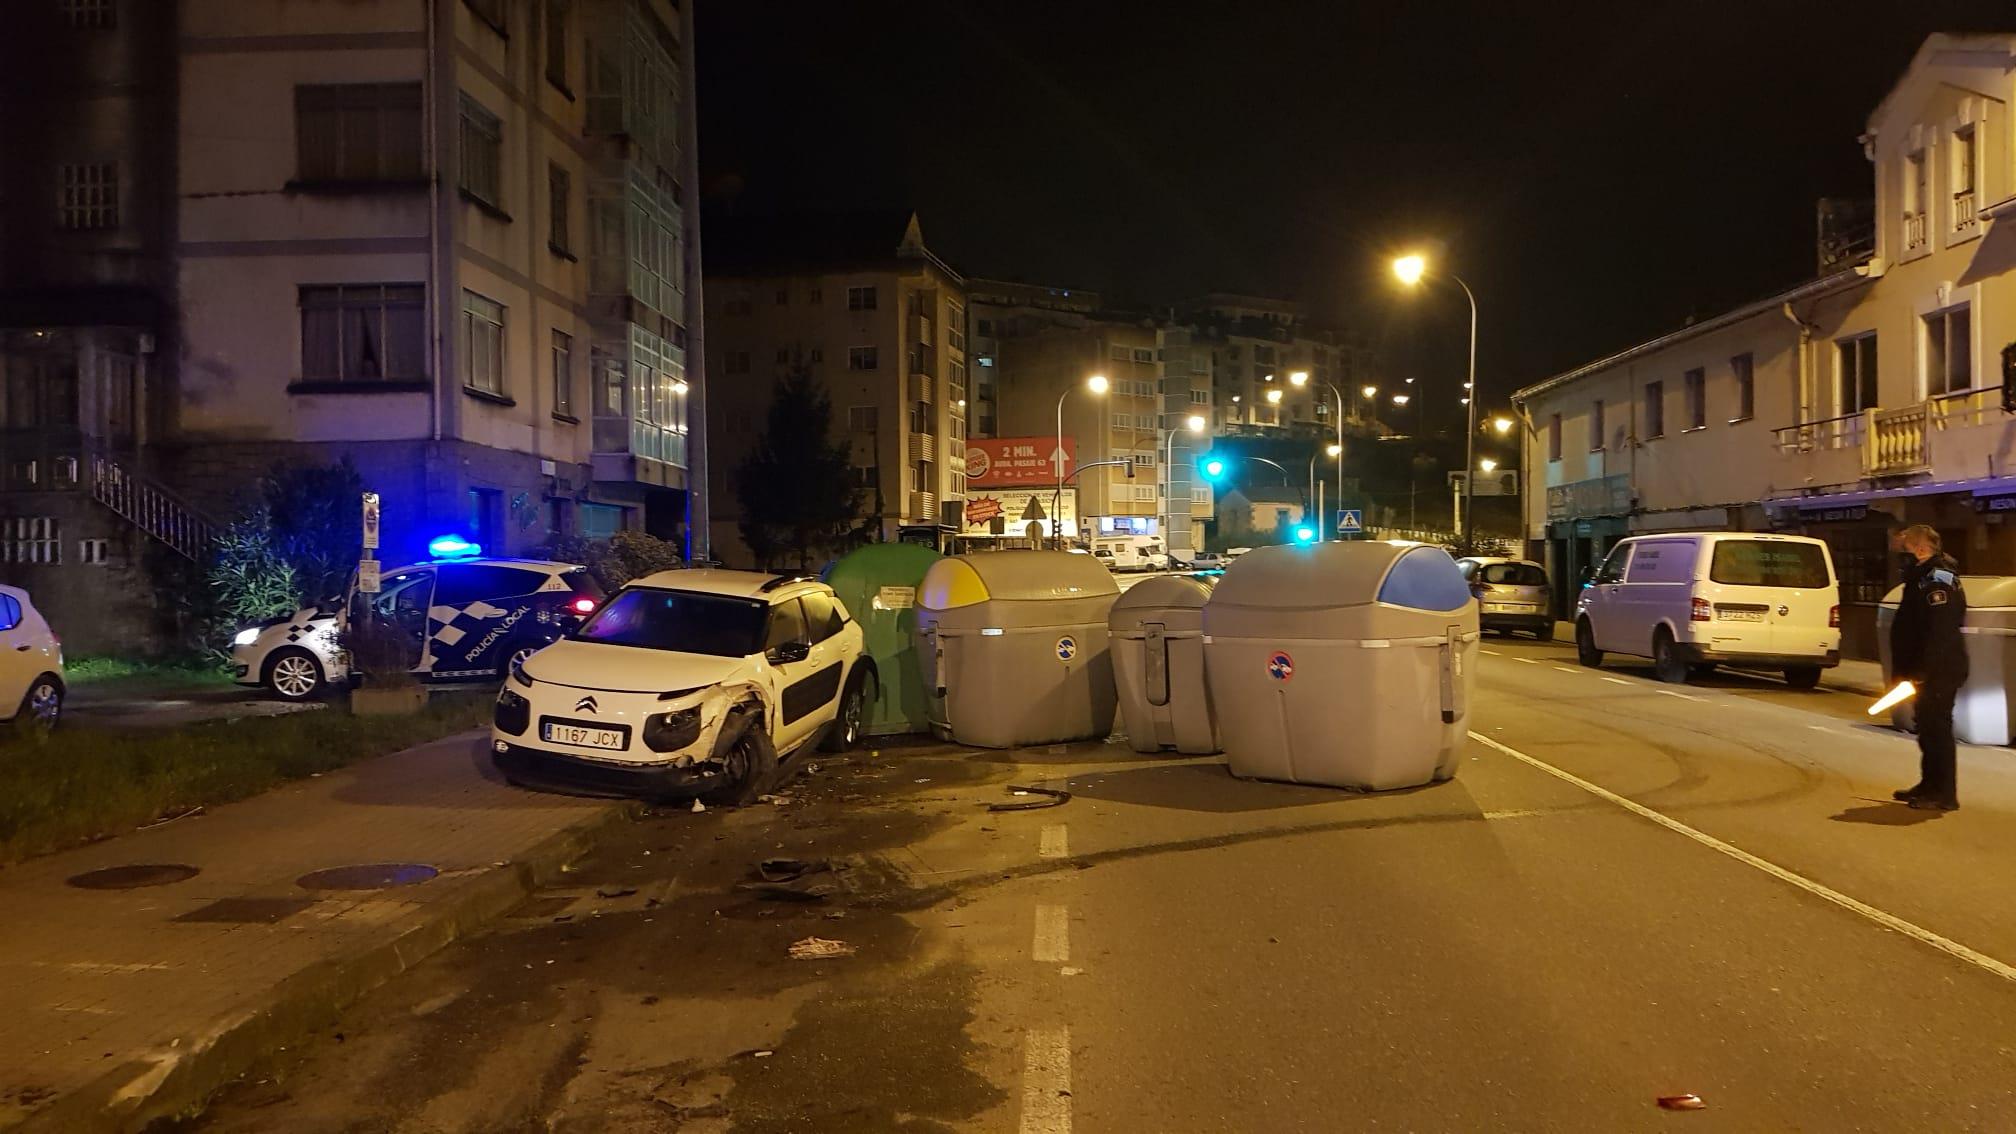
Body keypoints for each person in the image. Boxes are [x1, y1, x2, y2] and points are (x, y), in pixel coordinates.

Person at [1889, 524, 1966, 811]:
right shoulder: (1922, 576)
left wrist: (1926, 668)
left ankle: (1943, 793)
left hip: (1939, 669)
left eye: (1906, 548)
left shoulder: (1939, 578)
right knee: (1926, 728)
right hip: (1925, 668)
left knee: (1937, 729)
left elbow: (1941, 629)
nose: (1902, 555)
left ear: (1921, 548)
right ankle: (1929, 783)